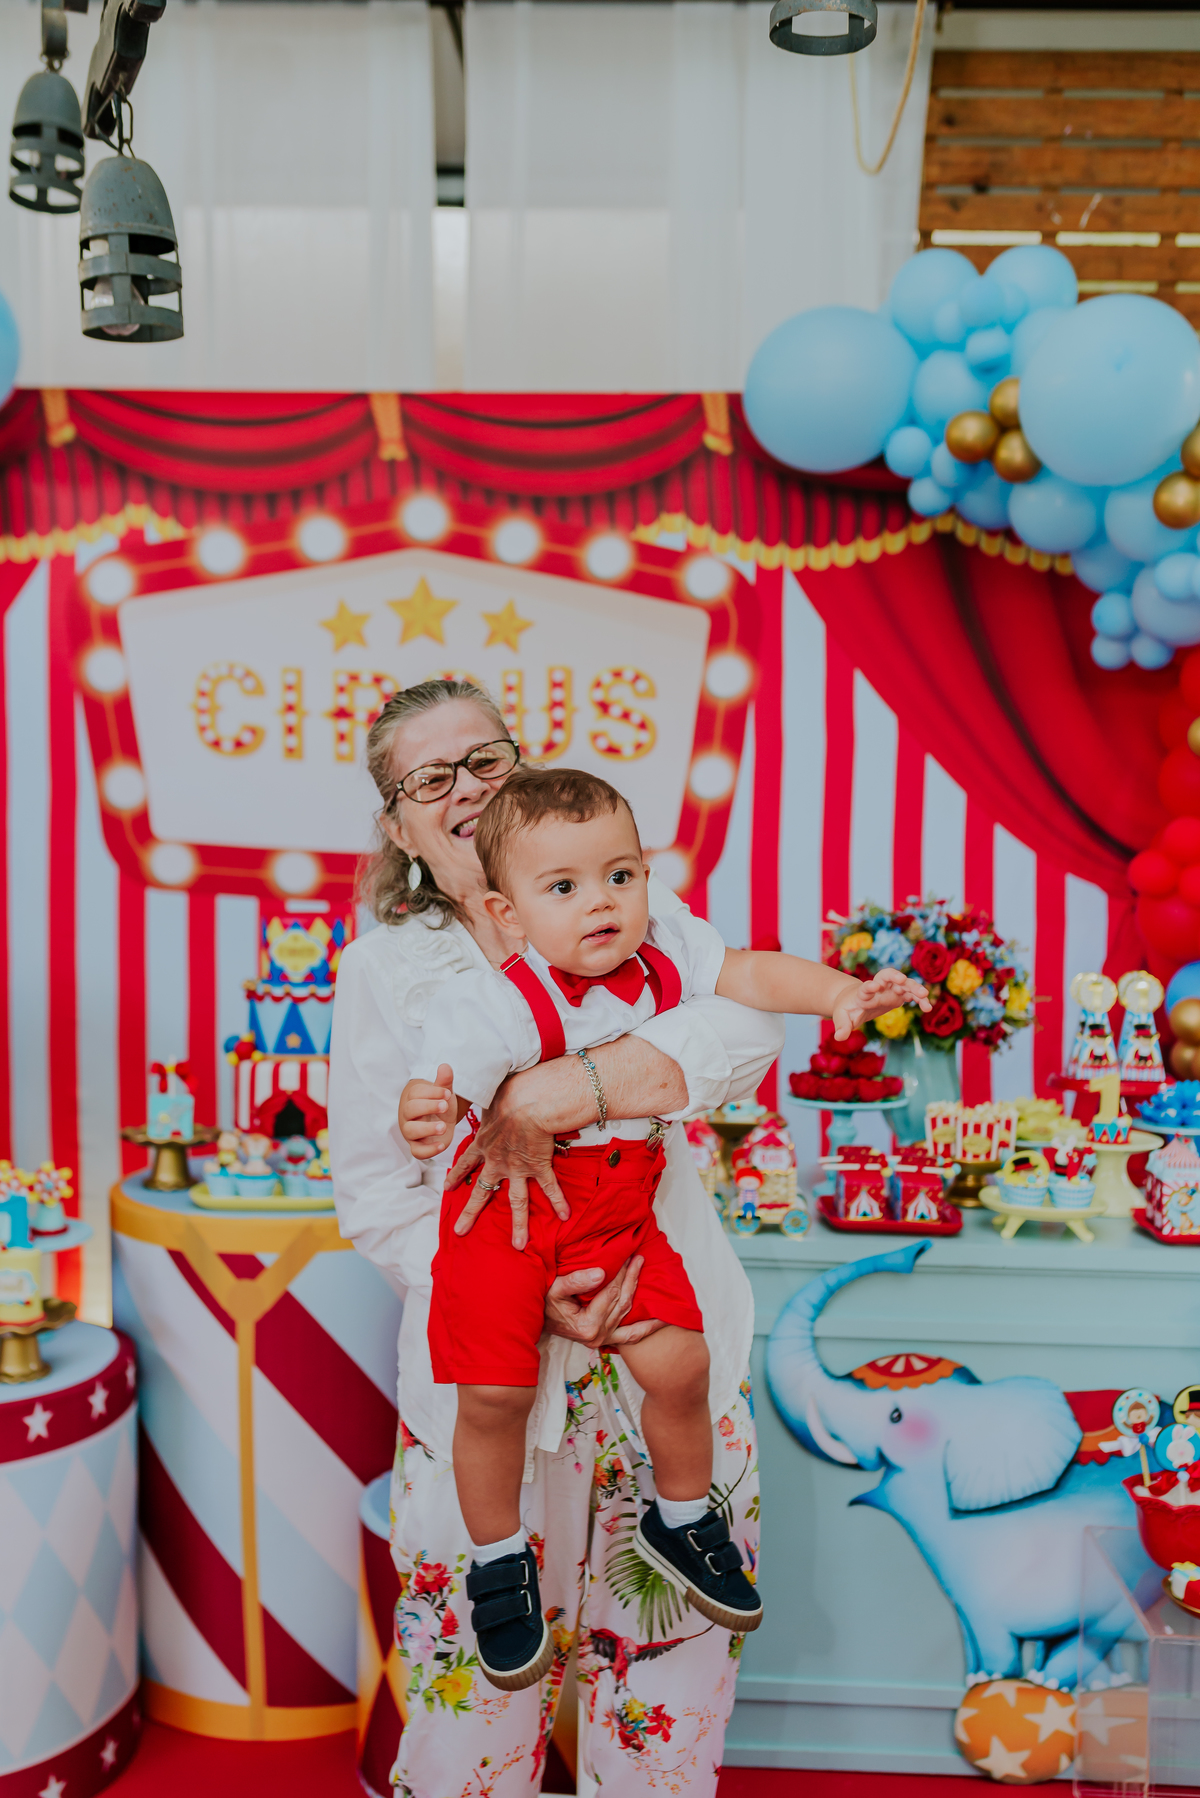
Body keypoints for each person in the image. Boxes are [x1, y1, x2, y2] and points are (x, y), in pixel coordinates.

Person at [330, 680, 785, 1796]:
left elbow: (747, 1032)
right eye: (430, 778)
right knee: (476, 1700)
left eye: (486, 759)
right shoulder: (386, 972)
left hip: (663, 1333)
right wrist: (522, 1293)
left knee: (668, 1685)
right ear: (399, 826)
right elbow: (375, 1195)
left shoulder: (635, 905)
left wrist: (550, 1093)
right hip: (491, 1376)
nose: (468, 789)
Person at [399, 766, 929, 1693]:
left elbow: (753, 975)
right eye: (564, 889)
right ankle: (496, 1558)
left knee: (681, 1363)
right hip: (507, 1217)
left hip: (620, 1208)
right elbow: (437, 1090)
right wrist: (427, 1113)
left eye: (620, 875)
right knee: (492, 1397)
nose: (600, 903)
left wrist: (838, 993)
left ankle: (679, 1516)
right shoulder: (493, 1001)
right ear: (510, 913)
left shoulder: (670, 950)